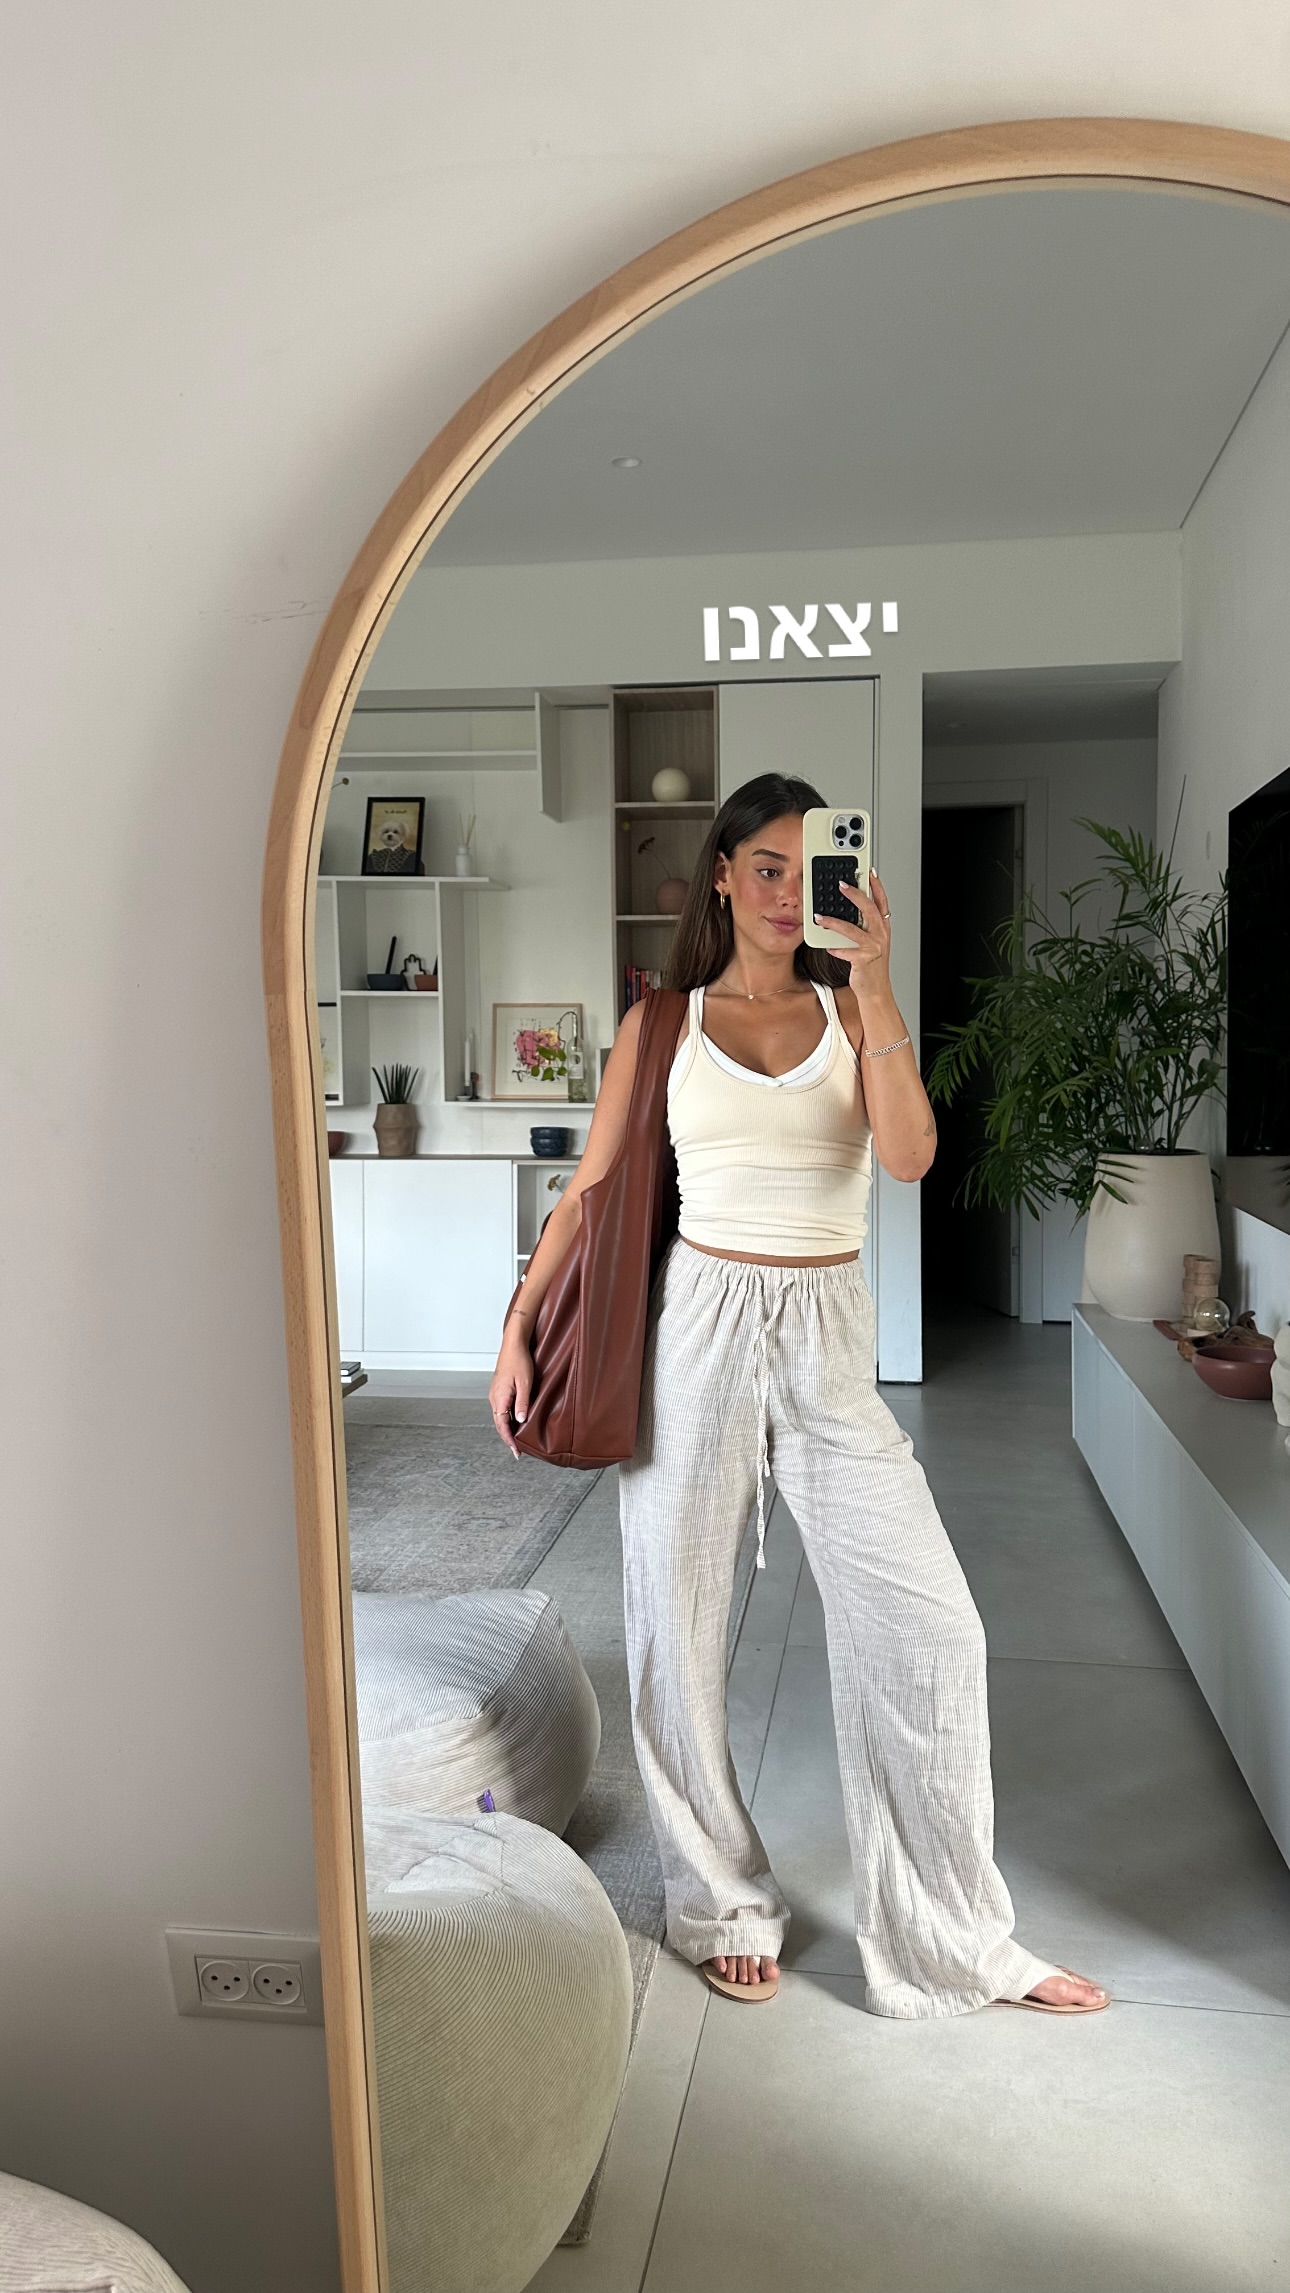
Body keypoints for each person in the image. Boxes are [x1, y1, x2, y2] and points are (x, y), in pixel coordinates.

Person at [489, 773, 1108, 2020]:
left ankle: (956, 1936)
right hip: (698, 1329)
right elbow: (593, 1189)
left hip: (827, 1333)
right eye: (763, 867)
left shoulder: (849, 1008)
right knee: (677, 1632)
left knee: (931, 1629)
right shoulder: (662, 1021)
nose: (784, 892)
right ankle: (720, 1899)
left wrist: (873, 981)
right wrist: (517, 1328)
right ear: (721, 876)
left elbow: (910, 1154)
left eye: (805, 867)